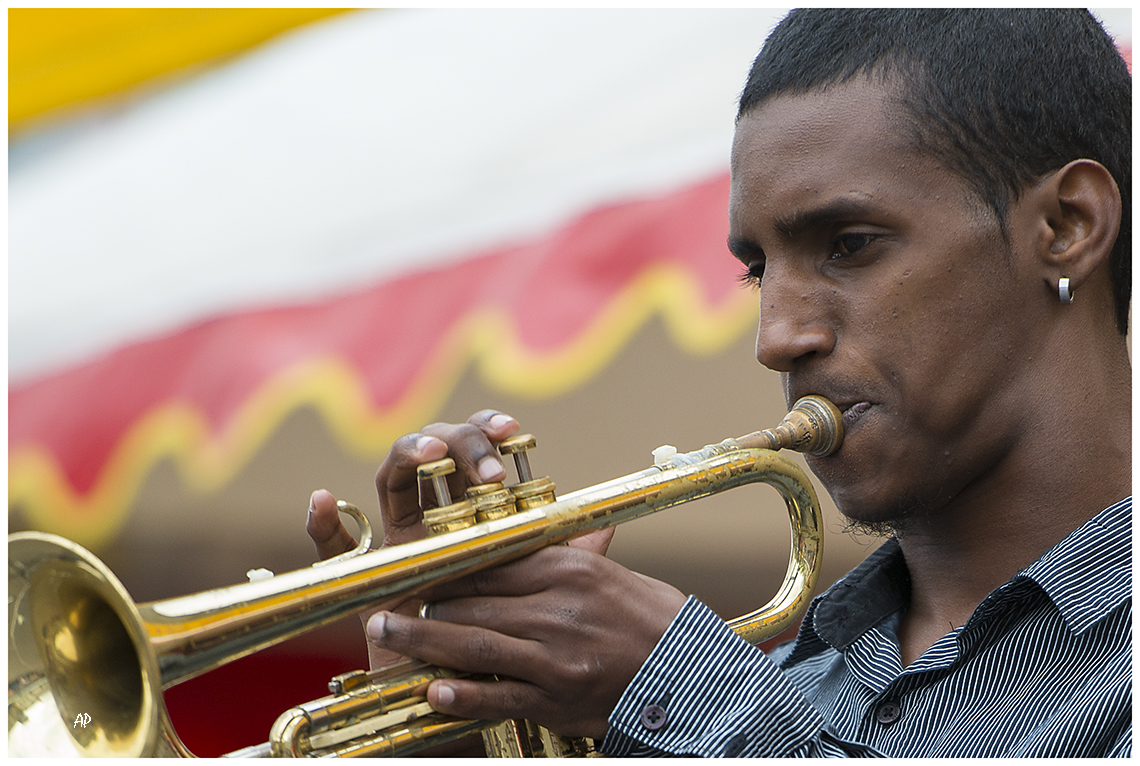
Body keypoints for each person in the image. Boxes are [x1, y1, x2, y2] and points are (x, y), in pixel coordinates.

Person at [307, 9, 1131, 757]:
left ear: (1068, 226)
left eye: (849, 244)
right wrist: (439, 713)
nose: (776, 339)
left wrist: (686, 692)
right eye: (758, 271)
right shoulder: (790, 683)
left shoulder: (728, 706)